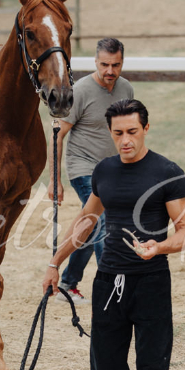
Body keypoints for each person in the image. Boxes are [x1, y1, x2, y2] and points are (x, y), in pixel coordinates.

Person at [43, 99, 185, 370]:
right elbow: (86, 221)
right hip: (108, 282)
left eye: (132, 132)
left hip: (151, 285)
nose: (125, 140)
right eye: (118, 133)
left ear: (146, 128)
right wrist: (55, 263)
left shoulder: (167, 174)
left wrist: (158, 248)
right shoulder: (104, 171)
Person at [47, 37, 133, 304]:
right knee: (102, 223)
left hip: (112, 170)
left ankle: (68, 283)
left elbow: (129, 131)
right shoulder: (81, 90)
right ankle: (111, 287)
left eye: (115, 65)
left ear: (122, 63)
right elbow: (58, 135)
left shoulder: (126, 89)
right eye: (105, 64)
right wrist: (55, 181)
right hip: (82, 168)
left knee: (90, 224)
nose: (110, 71)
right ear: (95, 61)